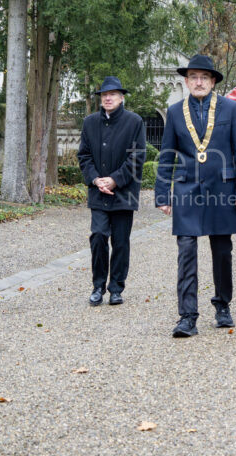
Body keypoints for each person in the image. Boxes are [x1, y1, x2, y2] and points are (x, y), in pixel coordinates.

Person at [155, 55, 236, 337]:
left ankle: (222, 306)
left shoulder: (231, 109)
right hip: (186, 190)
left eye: (204, 77)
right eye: (194, 77)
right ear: (186, 81)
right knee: (186, 252)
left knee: (222, 252)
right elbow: (166, 155)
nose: (199, 82)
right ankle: (187, 316)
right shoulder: (174, 112)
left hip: (223, 189)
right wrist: (162, 193)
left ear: (213, 82)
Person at [78, 76, 146, 307]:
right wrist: (96, 179)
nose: (107, 98)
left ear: (121, 97)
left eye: (113, 94)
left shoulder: (134, 122)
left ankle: (116, 288)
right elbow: (84, 156)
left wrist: (115, 180)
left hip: (123, 193)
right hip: (98, 193)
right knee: (98, 237)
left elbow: (137, 157)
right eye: (104, 95)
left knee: (120, 242)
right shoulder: (89, 123)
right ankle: (98, 286)